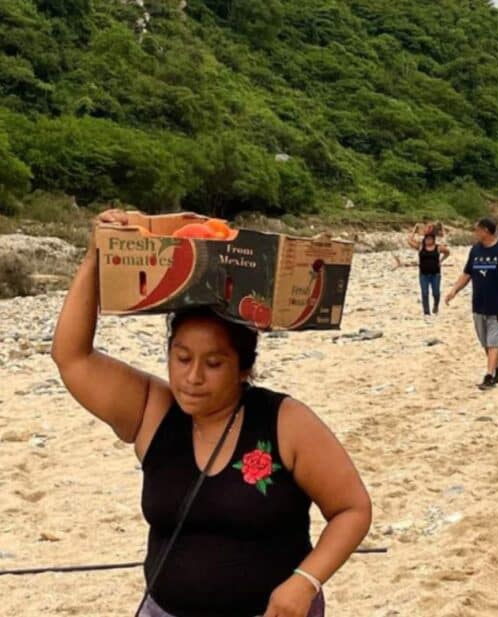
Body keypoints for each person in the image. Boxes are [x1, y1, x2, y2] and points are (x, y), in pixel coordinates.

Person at [51, 210, 372, 617]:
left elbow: (352, 509)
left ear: (243, 368)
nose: (193, 377)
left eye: (214, 363)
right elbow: (71, 356)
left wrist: (305, 581)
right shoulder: (152, 410)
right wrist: (96, 256)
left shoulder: (284, 422)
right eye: (182, 358)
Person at [445, 218, 498, 390]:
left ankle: (489, 375)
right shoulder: (475, 250)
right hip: (478, 304)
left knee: (494, 341)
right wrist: (454, 290)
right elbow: (467, 274)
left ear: (486, 231)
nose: (475, 233)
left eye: (477, 230)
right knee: (485, 342)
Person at [407, 227, 450, 317]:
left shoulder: (438, 247)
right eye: (427, 238)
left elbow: (447, 252)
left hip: (436, 274)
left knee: (436, 293)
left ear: (433, 239)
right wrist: (414, 230)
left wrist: (441, 261)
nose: (428, 240)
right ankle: (426, 312)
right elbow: (409, 241)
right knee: (425, 293)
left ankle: (436, 305)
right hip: (423, 274)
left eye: (430, 238)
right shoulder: (421, 247)